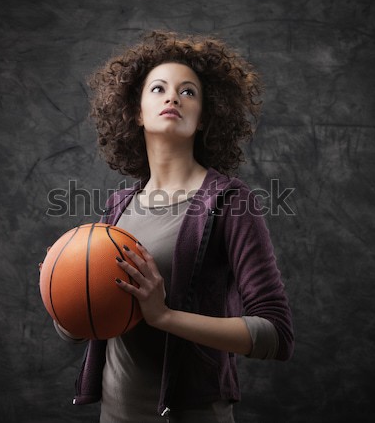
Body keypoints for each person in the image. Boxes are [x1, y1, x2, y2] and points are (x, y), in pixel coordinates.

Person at [54, 30, 294, 422]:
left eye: (189, 92)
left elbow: (276, 335)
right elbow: (81, 329)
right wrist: (61, 292)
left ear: (204, 118)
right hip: (115, 414)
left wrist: (164, 316)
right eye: (159, 88)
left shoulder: (231, 202)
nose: (173, 98)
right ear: (136, 111)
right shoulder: (118, 208)